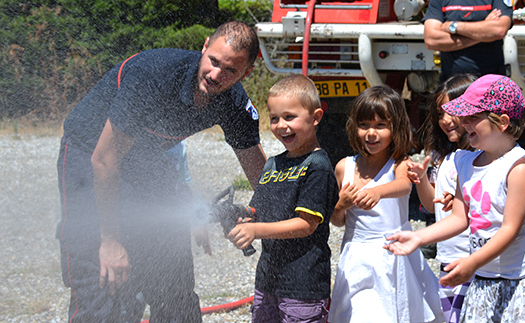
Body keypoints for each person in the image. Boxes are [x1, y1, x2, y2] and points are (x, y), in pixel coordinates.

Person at [56, 21, 267, 323]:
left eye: (230, 71)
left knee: (173, 282)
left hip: (145, 156)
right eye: (213, 61)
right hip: (89, 153)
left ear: (246, 72)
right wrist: (111, 241)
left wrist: (278, 218)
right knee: (106, 279)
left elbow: (260, 174)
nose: (216, 75)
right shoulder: (153, 77)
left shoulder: (234, 103)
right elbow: (104, 161)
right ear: (205, 46)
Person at [385, 74, 525, 322]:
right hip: (483, 280)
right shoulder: (465, 162)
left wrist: (472, 262)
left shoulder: (520, 167)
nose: (465, 123)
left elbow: (509, 229)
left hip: (520, 280)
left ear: (502, 122)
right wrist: (418, 237)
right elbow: (459, 218)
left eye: (473, 117)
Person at [226, 74, 339, 323]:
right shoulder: (272, 165)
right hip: (268, 281)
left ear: (316, 117)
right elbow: (258, 210)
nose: (281, 125)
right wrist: (241, 215)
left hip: (303, 285)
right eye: (274, 118)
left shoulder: (317, 166)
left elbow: (306, 225)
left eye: (290, 117)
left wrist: (256, 230)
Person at [327, 86, 443, 323]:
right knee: (360, 313)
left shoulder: (399, 162)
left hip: (393, 253)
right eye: (364, 125)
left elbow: (403, 185)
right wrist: (341, 206)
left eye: (381, 125)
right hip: (357, 255)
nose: (371, 133)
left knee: (394, 312)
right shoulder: (344, 167)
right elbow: (337, 221)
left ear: (396, 127)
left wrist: (377, 191)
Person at [408, 74, 477, 323]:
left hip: (475, 260)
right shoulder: (442, 156)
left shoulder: (482, 156)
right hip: (447, 258)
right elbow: (430, 205)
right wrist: (421, 180)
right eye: (440, 113)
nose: (445, 120)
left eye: (452, 111)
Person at [423, 0, 513, 80]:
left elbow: (499, 30)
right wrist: (483, 34)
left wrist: (454, 26)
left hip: (490, 84)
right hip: (453, 85)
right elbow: (431, 40)